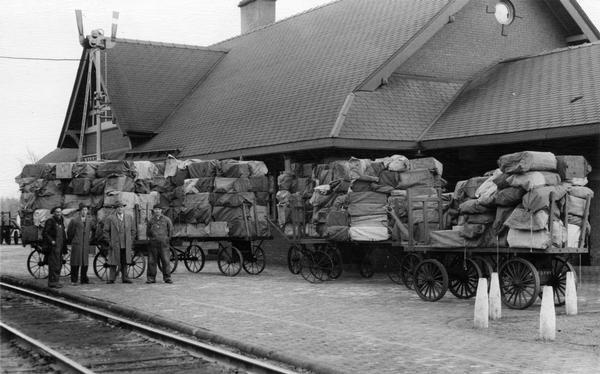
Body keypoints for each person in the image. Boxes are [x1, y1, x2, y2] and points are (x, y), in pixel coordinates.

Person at [103, 202, 136, 284]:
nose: (120, 209)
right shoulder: (110, 218)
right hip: (115, 243)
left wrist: (130, 240)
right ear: (116, 209)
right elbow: (105, 231)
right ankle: (111, 278)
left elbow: (133, 231)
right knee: (113, 261)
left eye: (121, 207)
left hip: (125, 244)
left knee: (124, 261)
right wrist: (109, 241)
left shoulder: (129, 217)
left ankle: (125, 278)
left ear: (123, 208)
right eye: (118, 207)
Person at [66, 203, 96, 285]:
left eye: (86, 210)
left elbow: (94, 229)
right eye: (83, 210)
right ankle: (74, 280)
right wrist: (74, 240)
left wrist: (91, 238)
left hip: (85, 244)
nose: (84, 211)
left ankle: (84, 279)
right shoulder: (74, 220)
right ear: (80, 211)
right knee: (75, 262)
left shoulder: (89, 220)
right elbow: (70, 232)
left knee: (85, 262)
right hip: (77, 243)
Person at [146, 204, 173, 284]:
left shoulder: (167, 220)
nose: (157, 211)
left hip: (164, 244)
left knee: (165, 261)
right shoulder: (151, 220)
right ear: (153, 210)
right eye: (155, 209)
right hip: (153, 244)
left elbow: (170, 231)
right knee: (151, 261)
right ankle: (151, 278)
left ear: (161, 210)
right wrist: (152, 239)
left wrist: (166, 239)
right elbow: (148, 232)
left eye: (159, 209)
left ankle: (167, 278)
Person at [42, 206, 68, 288]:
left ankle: (56, 281)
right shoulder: (50, 221)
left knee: (59, 264)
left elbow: (63, 233)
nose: (59, 213)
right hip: (53, 247)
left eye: (60, 212)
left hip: (60, 246)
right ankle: (52, 282)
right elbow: (45, 233)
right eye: (57, 212)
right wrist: (51, 241)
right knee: (53, 264)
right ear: (54, 213)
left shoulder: (61, 221)